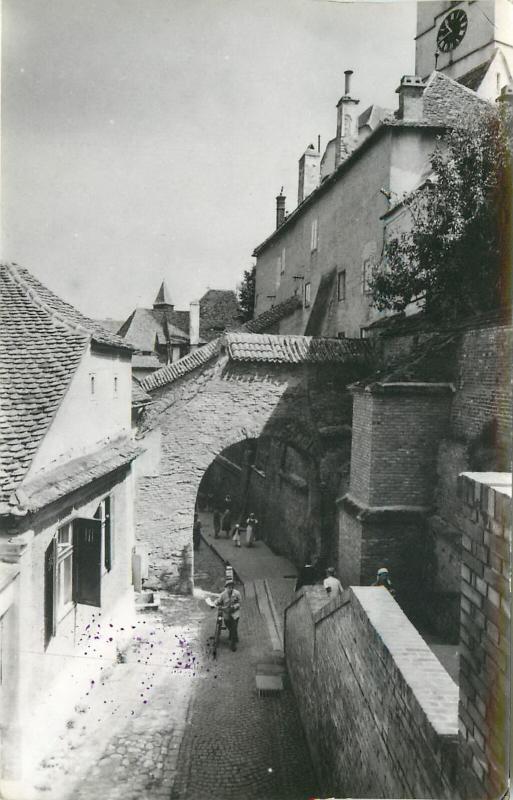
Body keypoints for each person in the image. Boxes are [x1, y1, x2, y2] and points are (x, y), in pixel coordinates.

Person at [214, 579, 241, 651]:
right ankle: (234, 636)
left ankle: (233, 645)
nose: (230, 589)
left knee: (234, 627)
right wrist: (215, 603)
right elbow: (218, 601)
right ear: (226, 588)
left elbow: (239, 603)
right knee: (229, 626)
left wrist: (234, 607)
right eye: (229, 587)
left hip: (235, 614)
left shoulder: (237, 593)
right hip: (226, 614)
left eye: (232, 587)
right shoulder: (223, 594)